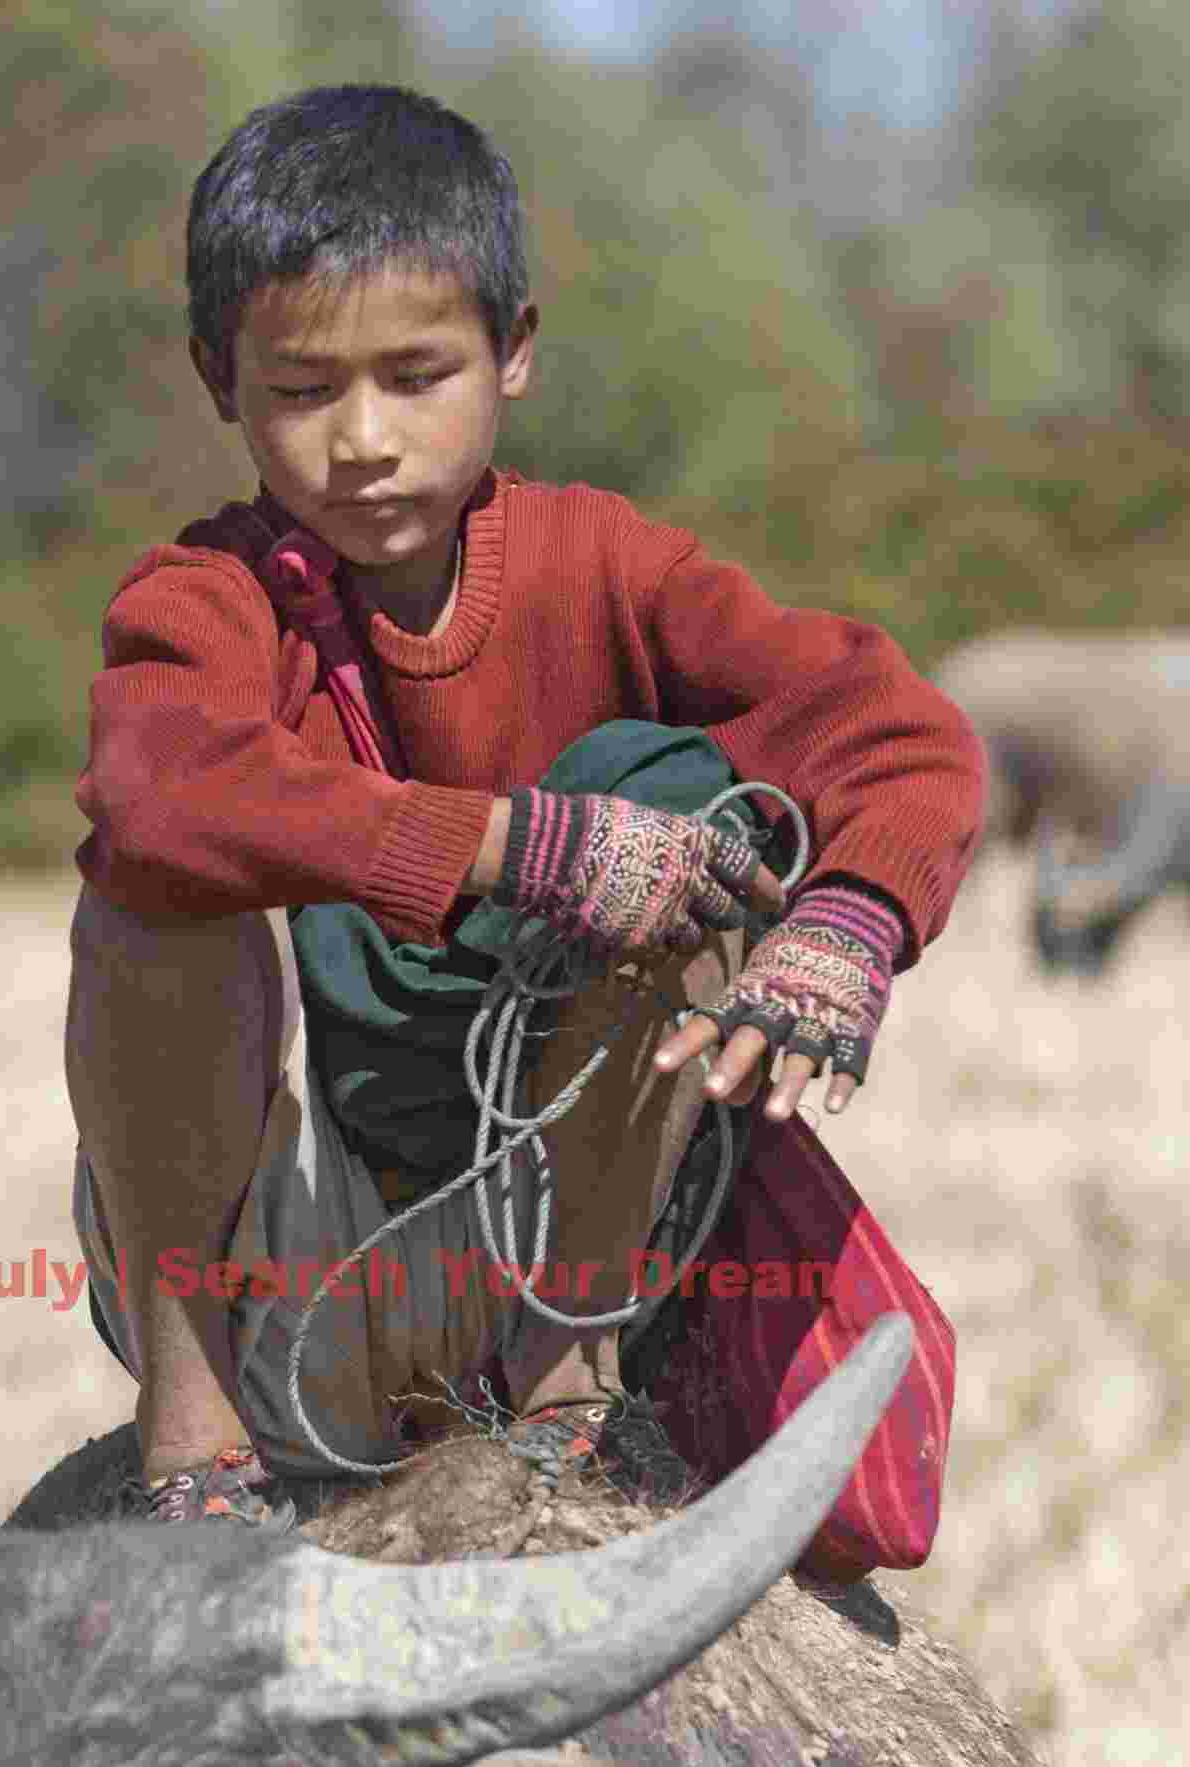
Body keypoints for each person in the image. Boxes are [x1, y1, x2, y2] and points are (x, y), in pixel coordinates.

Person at [66, 83, 983, 1526]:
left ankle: (567, 1395)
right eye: (302, 391)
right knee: (141, 883)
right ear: (215, 379)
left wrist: (848, 924)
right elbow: (156, 793)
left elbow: (897, 730)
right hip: (293, 1246)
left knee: (679, 808)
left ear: (514, 355)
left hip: (581, 1222)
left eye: (415, 376)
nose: (360, 439)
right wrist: (517, 848)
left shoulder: (605, 564)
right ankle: (190, 1431)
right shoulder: (204, 597)